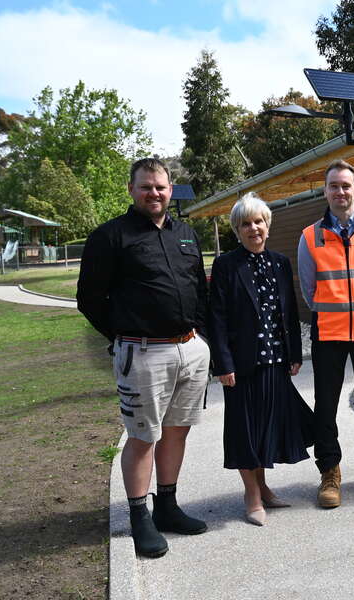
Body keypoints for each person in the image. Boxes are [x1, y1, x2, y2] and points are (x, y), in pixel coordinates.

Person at [77, 158, 210, 558]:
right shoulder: (110, 236)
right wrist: (122, 336)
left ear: (171, 190)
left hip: (189, 348)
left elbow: (198, 290)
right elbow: (89, 299)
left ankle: (166, 506)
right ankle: (140, 518)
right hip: (143, 353)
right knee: (142, 436)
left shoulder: (185, 234)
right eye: (146, 187)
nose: (155, 193)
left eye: (161, 187)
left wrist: (199, 336)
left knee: (177, 430)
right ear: (132, 190)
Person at [208, 193, 316, 526]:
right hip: (241, 366)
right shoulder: (227, 265)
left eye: (258, 221)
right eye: (245, 224)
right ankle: (251, 495)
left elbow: (289, 310)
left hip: (275, 361)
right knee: (245, 431)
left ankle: (264, 486)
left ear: (267, 225)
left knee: (267, 428)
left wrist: (295, 352)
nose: (253, 228)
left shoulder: (280, 262)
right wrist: (223, 364)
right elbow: (217, 318)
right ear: (236, 230)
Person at [297, 159, 354, 508]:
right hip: (329, 334)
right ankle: (330, 473)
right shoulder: (310, 236)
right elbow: (308, 291)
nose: (340, 191)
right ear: (325, 191)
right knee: (325, 408)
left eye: (346, 185)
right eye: (334, 186)